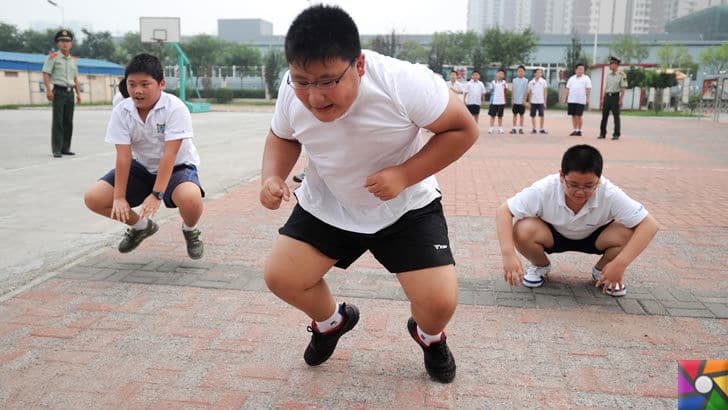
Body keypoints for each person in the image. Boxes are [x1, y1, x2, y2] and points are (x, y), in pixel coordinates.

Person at [260, 5, 478, 383]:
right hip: (329, 204)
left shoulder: (403, 81)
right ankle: (332, 322)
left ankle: (430, 337)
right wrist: (272, 176)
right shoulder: (289, 88)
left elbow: (463, 129)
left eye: (328, 81)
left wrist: (405, 174)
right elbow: (282, 135)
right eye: (303, 81)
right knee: (281, 277)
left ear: (358, 65)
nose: (314, 97)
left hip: (405, 208)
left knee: (439, 303)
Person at [83, 53, 206, 260]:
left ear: (161, 84)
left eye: (145, 84)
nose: (137, 90)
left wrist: (156, 194)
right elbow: (123, 157)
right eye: (132, 84)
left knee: (191, 199)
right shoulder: (122, 111)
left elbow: (170, 153)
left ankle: (190, 230)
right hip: (141, 168)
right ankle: (141, 227)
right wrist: (119, 197)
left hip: (176, 167)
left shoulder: (175, 108)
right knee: (94, 198)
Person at [495, 144, 659, 297]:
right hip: (553, 235)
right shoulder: (544, 188)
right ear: (561, 176)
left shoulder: (609, 192)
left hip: (596, 236)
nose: (580, 192)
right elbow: (504, 211)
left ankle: (604, 271)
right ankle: (540, 266)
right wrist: (508, 254)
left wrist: (621, 264)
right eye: (573, 184)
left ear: (599, 179)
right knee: (522, 229)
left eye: (589, 186)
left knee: (629, 232)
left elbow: (649, 224)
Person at [42, 29, 81, 158]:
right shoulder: (53, 58)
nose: (65, 44)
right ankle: (57, 149)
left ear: (71, 44)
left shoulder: (73, 60)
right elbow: (46, 74)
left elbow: (75, 78)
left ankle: (66, 147)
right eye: (62, 41)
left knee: (68, 121)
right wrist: (48, 90)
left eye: (67, 41)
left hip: (70, 93)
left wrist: (78, 93)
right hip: (58, 91)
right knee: (58, 121)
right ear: (58, 44)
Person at [599, 56, 627, 140]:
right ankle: (602, 133)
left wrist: (621, 99)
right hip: (607, 97)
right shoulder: (608, 75)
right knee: (604, 116)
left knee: (616, 116)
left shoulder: (622, 75)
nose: (609, 66)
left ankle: (616, 134)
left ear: (616, 65)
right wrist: (603, 98)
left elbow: (623, 88)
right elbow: (606, 87)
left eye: (611, 64)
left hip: (615, 97)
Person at [565, 63, 592, 137]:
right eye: (579, 69)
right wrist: (565, 98)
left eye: (582, 69)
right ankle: (575, 130)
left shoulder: (586, 78)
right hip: (571, 100)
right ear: (576, 70)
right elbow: (567, 89)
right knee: (573, 115)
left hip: (581, 100)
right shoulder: (571, 78)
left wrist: (588, 98)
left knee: (578, 115)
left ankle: (579, 130)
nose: (581, 71)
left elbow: (589, 89)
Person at [526, 68, 549, 134]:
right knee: (533, 115)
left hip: (541, 101)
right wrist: (529, 103)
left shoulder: (543, 81)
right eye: (538, 72)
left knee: (542, 115)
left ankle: (541, 129)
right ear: (535, 73)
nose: (539, 74)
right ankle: (534, 129)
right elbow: (529, 93)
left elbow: (545, 92)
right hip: (533, 102)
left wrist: (545, 102)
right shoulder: (531, 82)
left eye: (540, 73)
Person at [487, 68, 507, 134]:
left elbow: (505, 91)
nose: (500, 75)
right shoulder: (493, 82)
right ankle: (491, 127)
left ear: (504, 76)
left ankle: (500, 128)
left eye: (502, 74)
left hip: (501, 102)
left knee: (500, 116)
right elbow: (490, 91)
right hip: (494, 102)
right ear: (496, 74)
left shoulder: (504, 83)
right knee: (492, 115)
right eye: (499, 73)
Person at [509, 65, 528, 134]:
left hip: (522, 101)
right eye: (519, 71)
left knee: (521, 115)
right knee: (514, 114)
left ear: (524, 72)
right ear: (517, 72)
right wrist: (512, 99)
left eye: (522, 71)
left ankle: (521, 128)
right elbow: (513, 90)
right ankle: (514, 128)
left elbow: (526, 91)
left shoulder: (526, 80)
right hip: (515, 101)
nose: (520, 72)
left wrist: (524, 99)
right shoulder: (514, 80)